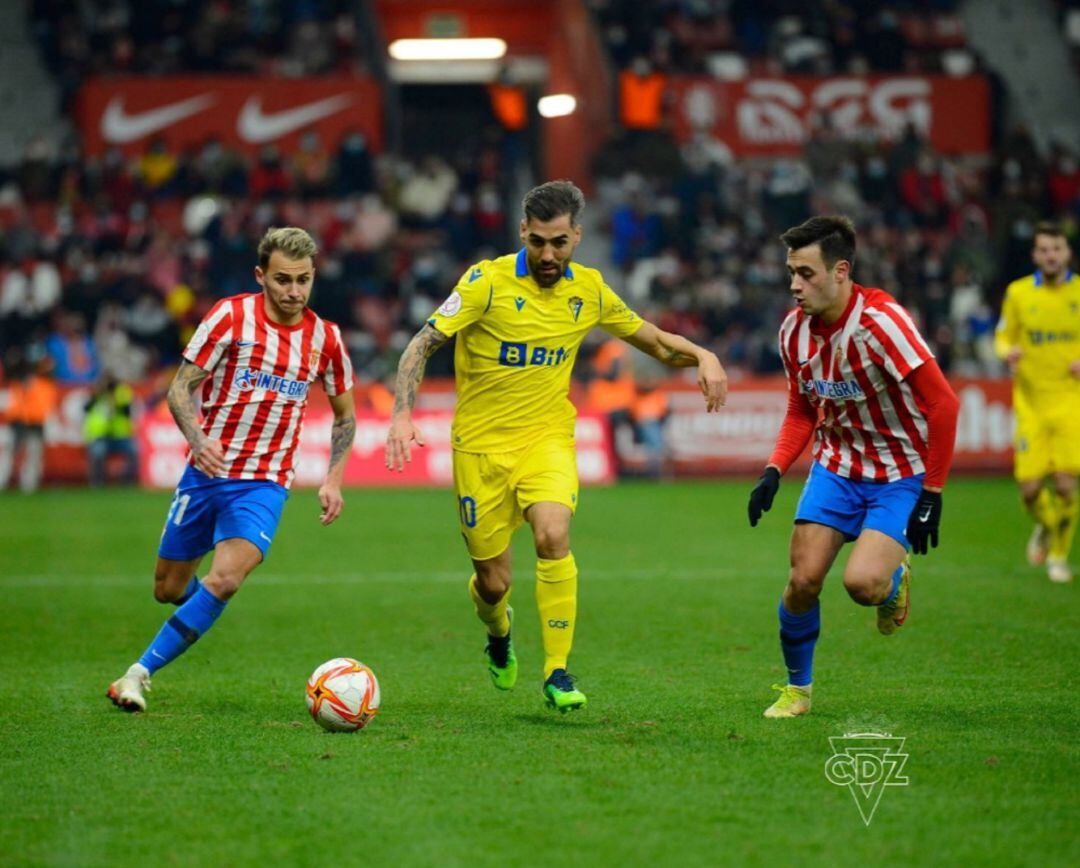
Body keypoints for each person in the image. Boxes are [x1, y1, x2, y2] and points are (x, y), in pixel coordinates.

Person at [384, 180, 727, 712]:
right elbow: (423, 343)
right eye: (539, 241)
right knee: (493, 585)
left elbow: (653, 339)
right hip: (479, 450)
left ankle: (557, 671)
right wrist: (402, 412)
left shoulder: (587, 289)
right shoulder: (485, 282)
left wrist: (703, 354)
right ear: (523, 231)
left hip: (546, 439)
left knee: (553, 533)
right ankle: (499, 634)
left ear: (576, 238)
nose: (548, 254)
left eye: (559, 243)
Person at [107, 227, 356, 713]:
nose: (294, 291)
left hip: (264, 482)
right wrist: (198, 440)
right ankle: (200, 612)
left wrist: (332, 478)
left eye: (303, 280)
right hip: (205, 473)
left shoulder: (325, 338)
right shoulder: (229, 317)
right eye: (283, 280)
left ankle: (136, 674)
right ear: (261, 275)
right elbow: (180, 389)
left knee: (226, 579)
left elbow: (346, 415)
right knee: (169, 589)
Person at [747, 215, 959, 719]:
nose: (795, 286)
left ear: (841, 271)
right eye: (791, 273)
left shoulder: (882, 325)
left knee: (861, 586)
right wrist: (774, 470)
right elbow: (802, 410)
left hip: (898, 475)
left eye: (806, 273)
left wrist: (932, 494)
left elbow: (943, 405)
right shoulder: (792, 333)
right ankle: (798, 690)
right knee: (802, 581)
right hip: (836, 468)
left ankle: (893, 580)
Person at [993, 222, 1080, 583]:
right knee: (1029, 490)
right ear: (1035, 255)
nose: (1050, 255)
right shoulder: (1018, 293)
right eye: (1044, 249)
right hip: (1030, 403)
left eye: (1056, 249)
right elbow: (1001, 335)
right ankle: (1046, 525)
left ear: (1067, 253)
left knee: (1065, 485)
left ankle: (1058, 557)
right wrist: (1006, 351)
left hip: (1070, 403)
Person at [84, 374, 138, 486]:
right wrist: (98, 393)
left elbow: (127, 411)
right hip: (101, 435)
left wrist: (116, 400)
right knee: (98, 452)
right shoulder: (97, 394)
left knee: (134, 450)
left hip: (119, 436)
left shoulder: (121, 394)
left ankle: (127, 481)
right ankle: (97, 482)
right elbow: (86, 408)